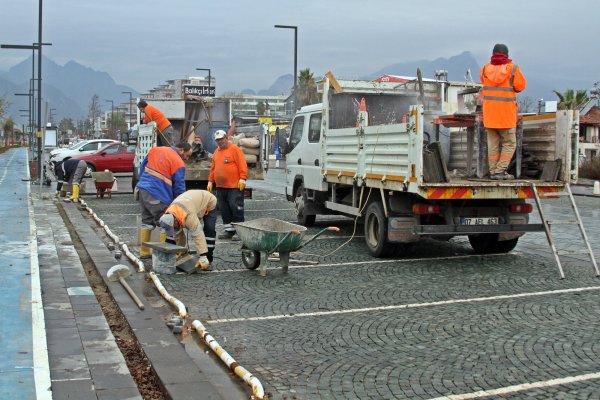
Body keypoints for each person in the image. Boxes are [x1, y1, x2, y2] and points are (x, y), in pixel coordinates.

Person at [136, 143, 193, 258]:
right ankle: (164, 254)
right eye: (187, 155)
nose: (187, 159)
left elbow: (143, 167)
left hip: (142, 189)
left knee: (147, 222)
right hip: (158, 194)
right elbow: (179, 188)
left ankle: (144, 252)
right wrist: (179, 205)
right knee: (166, 223)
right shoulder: (178, 163)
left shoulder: (156, 150)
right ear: (181, 150)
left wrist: (143, 182)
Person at [480, 43, 527, 180]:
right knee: (510, 143)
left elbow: (484, 82)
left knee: (493, 145)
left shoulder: (485, 69)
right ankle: (500, 171)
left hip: (490, 115)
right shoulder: (513, 69)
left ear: (493, 54)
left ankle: (494, 171)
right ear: (507, 54)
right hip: (506, 115)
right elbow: (520, 86)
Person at [158, 190, 217, 271]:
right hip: (193, 201)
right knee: (175, 232)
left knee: (209, 230)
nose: (173, 229)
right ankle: (201, 257)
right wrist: (181, 250)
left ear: (175, 220)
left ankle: (208, 259)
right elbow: (177, 233)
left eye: (173, 226)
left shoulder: (188, 216)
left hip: (208, 201)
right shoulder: (169, 214)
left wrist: (203, 256)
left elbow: (198, 235)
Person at [207, 129, 248, 239]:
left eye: (221, 139)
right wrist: (210, 181)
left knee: (236, 207)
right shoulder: (216, 152)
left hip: (234, 186)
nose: (220, 142)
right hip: (221, 187)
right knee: (224, 209)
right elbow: (213, 168)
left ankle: (240, 231)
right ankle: (229, 231)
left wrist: (243, 178)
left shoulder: (235, 150)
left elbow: (242, 164)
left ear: (226, 138)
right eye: (218, 140)